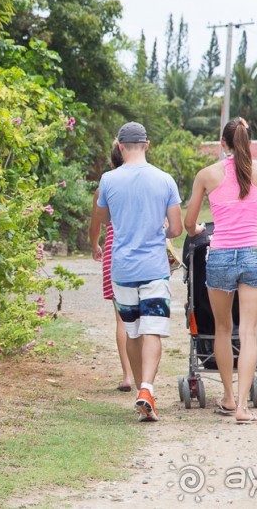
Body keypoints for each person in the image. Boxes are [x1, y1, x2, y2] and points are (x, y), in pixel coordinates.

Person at [184, 117, 257, 425]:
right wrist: (249, 231)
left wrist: (198, 229)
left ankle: (228, 397)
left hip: (220, 254)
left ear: (222, 143)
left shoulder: (207, 175)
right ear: (248, 142)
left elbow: (190, 225)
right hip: (253, 253)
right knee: (248, 331)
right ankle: (243, 408)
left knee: (224, 328)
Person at [97, 122, 182, 422]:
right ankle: (147, 388)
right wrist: (161, 231)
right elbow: (176, 228)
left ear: (120, 146)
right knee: (152, 330)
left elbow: (104, 221)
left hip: (122, 269)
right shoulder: (165, 180)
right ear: (147, 145)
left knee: (132, 331)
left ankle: (140, 393)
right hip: (154, 268)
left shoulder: (108, 180)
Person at [89, 139, 134, 393]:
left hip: (114, 254)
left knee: (121, 319)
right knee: (140, 317)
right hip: (140, 253)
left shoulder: (105, 184)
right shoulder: (140, 181)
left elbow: (96, 224)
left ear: (111, 161)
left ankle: (127, 375)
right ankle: (143, 376)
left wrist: (95, 245)